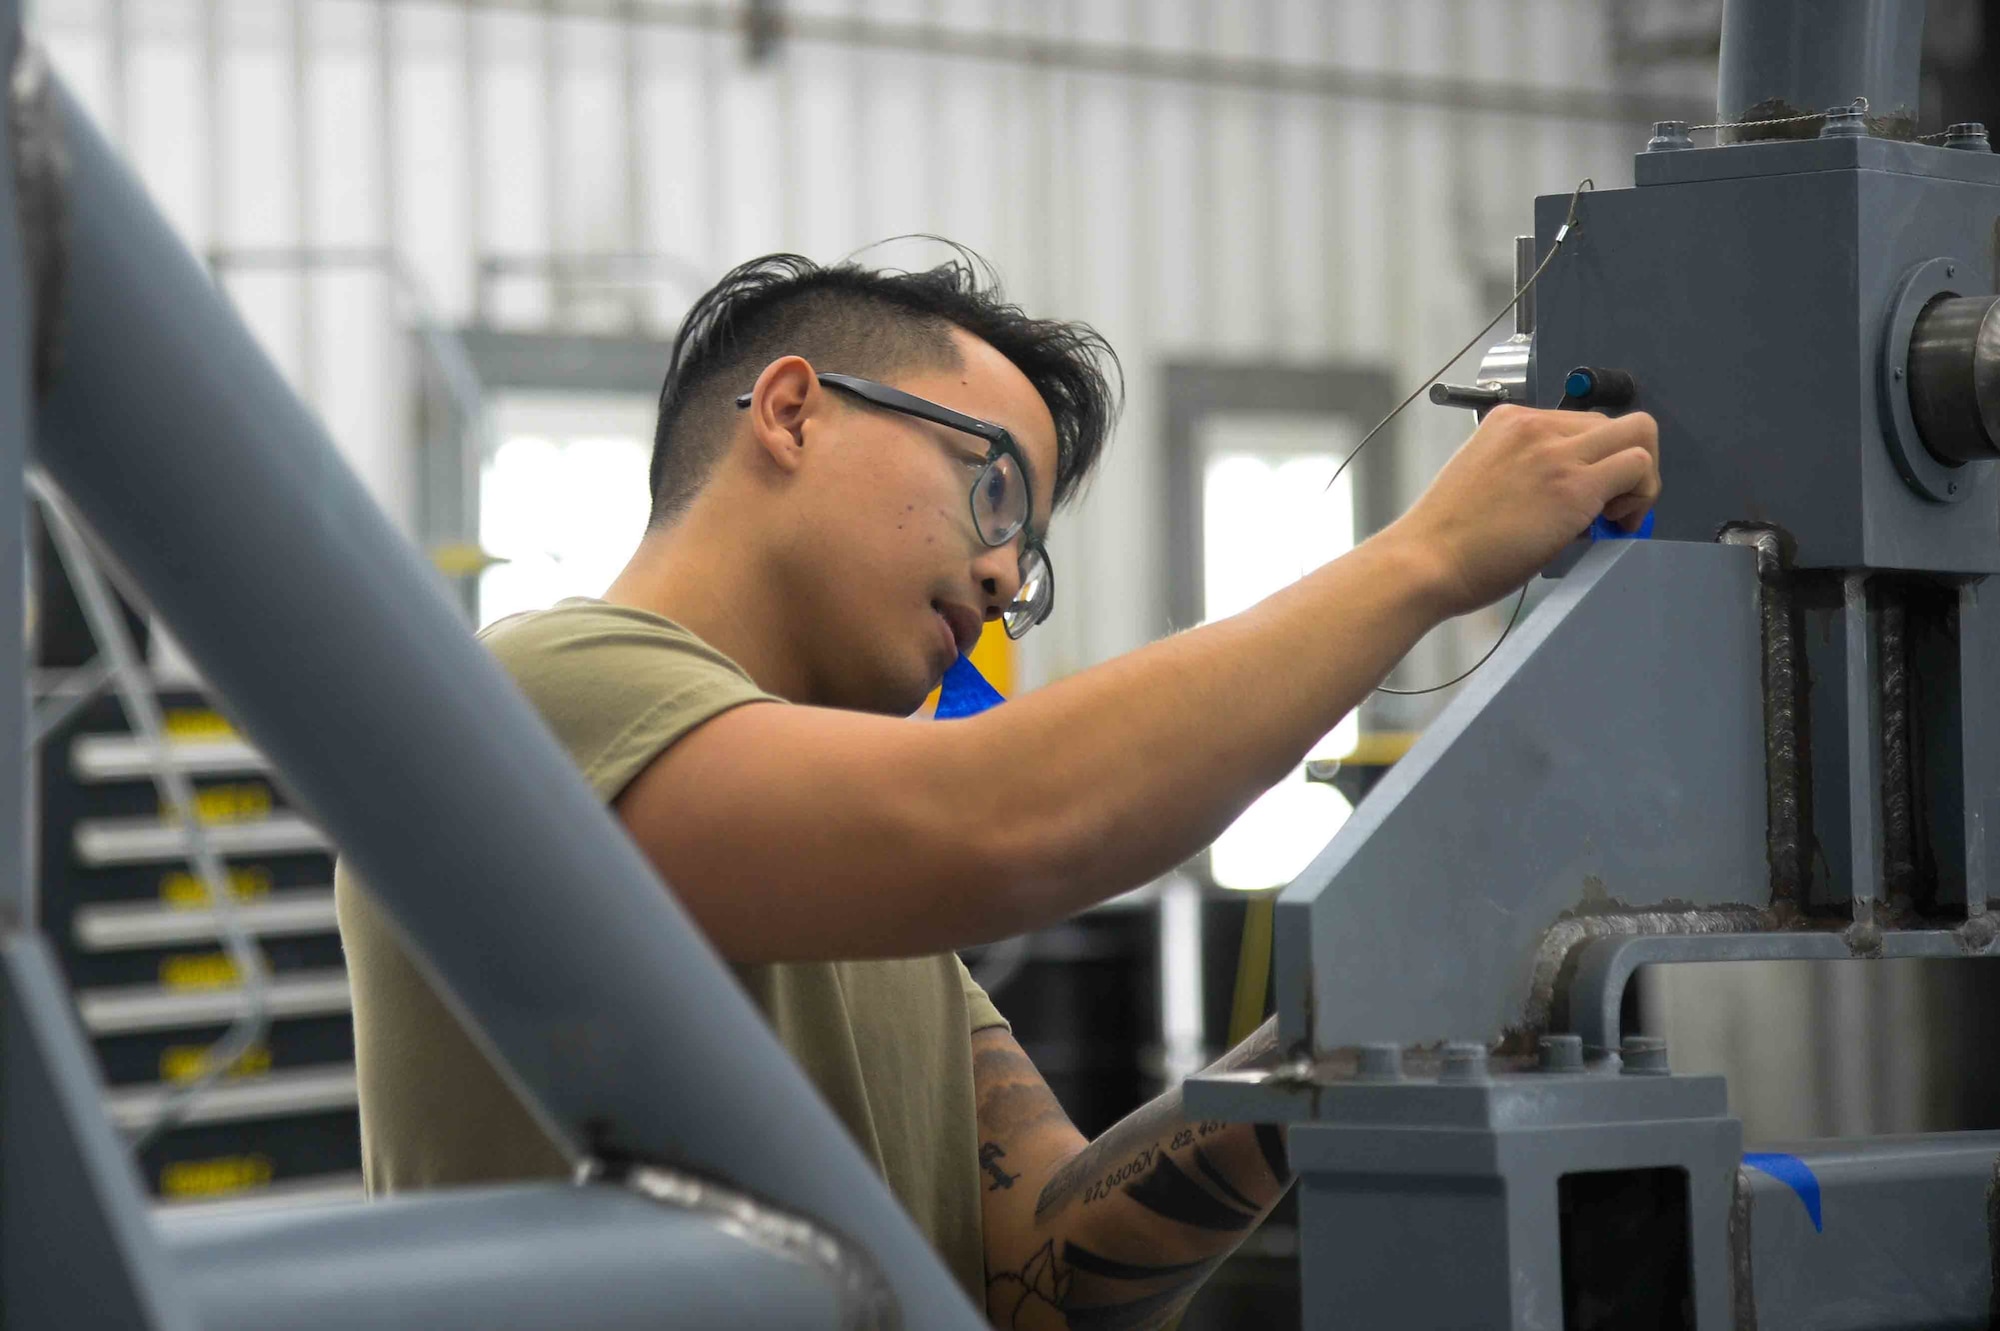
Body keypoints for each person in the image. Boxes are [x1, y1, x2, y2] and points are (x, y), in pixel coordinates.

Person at [335, 249, 1659, 1328]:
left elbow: (1039, 1272)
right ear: (793, 412)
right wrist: (1422, 560)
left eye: (1027, 551)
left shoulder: (850, 884)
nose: (1002, 581)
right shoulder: (536, 696)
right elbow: (1004, 817)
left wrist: (1353, 1020)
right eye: (993, 491)